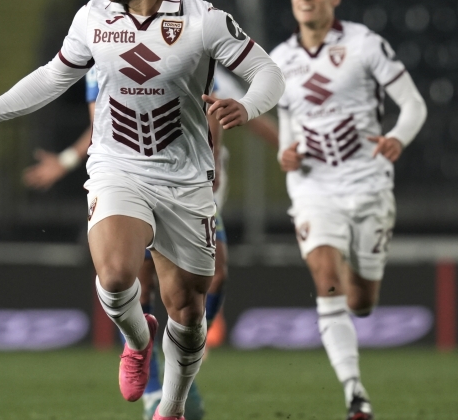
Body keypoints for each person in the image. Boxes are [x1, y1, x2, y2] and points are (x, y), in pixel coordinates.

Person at [0, 0, 285, 420]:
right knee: (115, 277)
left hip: (184, 179)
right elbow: (52, 78)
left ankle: (173, 408)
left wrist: (246, 107)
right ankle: (138, 342)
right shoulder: (92, 18)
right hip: (119, 167)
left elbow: (267, 72)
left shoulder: (205, 21)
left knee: (188, 310)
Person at [22, 64, 278, 420]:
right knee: (140, 279)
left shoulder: (197, 48)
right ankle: (153, 388)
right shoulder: (105, 50)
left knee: (214, 276)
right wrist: (67, 160)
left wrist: (283, 147)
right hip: (137, 184)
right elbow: (103, 124)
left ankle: (186, 359)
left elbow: (234, 107)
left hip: (194, 187)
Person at [272, 0, 427, 420]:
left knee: (361, 302)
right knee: (325, 277)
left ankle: (355, 362)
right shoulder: (280, 60)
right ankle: (355, 394)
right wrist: (288, 154)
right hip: (314, 186)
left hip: (367, 182)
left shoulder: (364, 44)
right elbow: (287, 128)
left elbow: (414, 105)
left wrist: (397, 138)